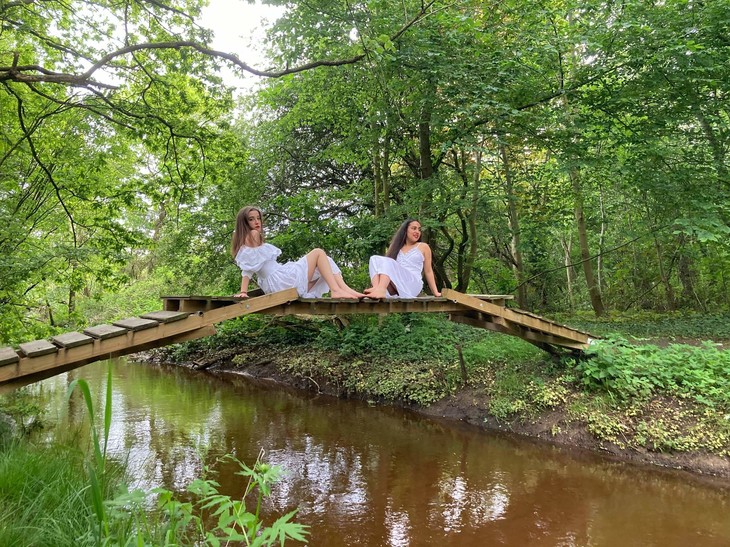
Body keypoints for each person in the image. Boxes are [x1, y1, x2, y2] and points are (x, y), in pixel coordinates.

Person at [231, 206, 365, 299]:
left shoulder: (244, 243)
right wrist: (243, 291)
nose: (257, 222)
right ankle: (337, 290)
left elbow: (248, 269)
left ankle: (344, 290)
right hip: (282, 281)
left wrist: (244, 291)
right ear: (244, 222)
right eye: (251, 219)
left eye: (258, 218)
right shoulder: (253, 235)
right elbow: (248, 269)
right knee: (318, 252)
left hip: (278, 283)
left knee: (326, 261)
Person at [364, 218, 441, 299]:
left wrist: (435, 292)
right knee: (374, 258)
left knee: (389, 261)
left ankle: (381, 289)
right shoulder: (396, 247)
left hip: (413, 284)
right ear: (405, 230)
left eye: (419, 229)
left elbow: (428, 271)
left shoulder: (423, 247)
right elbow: (386, 268)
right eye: (414, 228)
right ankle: (377, 288)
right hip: (398, 284)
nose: (417, 232)